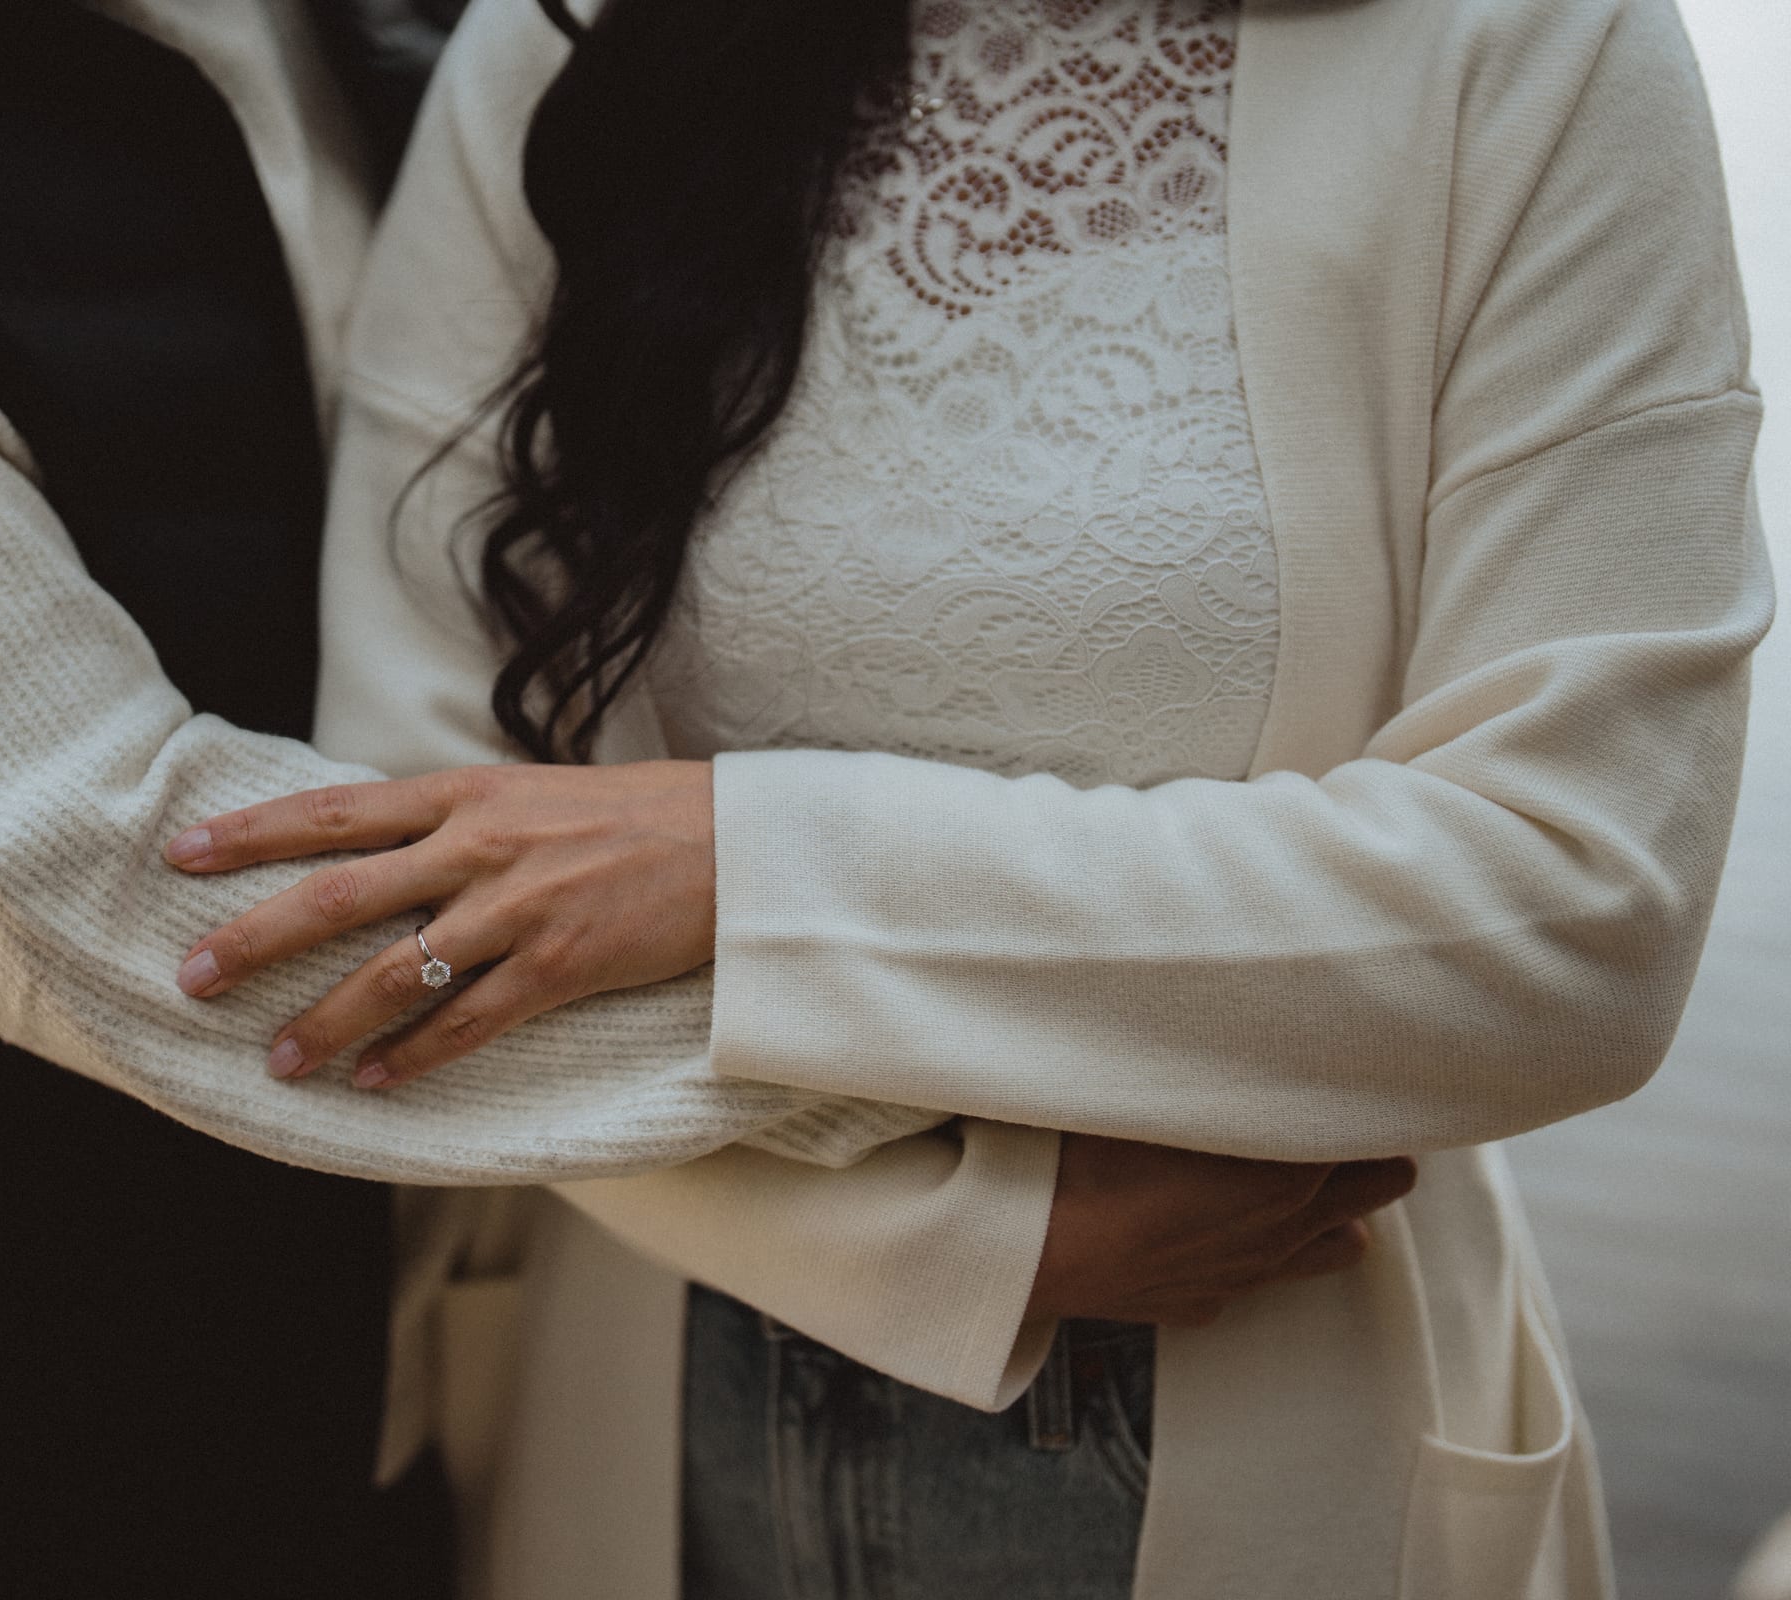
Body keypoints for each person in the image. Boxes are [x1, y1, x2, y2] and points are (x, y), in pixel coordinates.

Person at [0, 0, 1410, 1594]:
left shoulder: (431, 26)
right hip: (1, 1409)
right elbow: (115, 880)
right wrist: (980, 1125)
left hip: (483, 1371)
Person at [162, 0, 1774, 1594]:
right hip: (645, 1383)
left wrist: (737, 863)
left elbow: (1580, 910)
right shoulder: (573, 39)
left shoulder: (1532, 51)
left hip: (1269, 1379)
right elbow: (403, 849)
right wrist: (929, 1247)